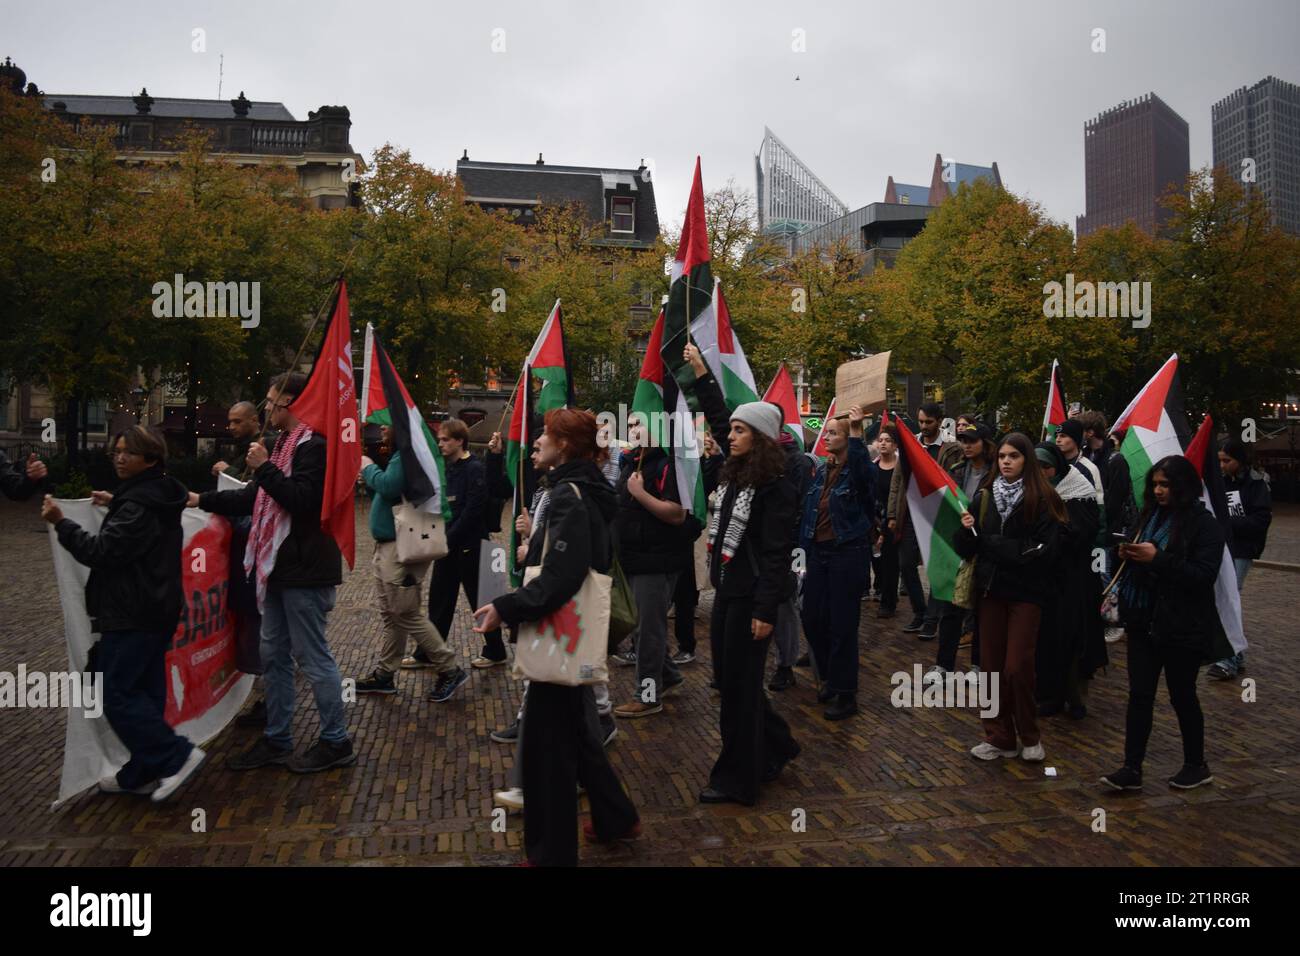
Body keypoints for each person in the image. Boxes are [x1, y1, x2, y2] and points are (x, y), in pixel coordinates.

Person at [472, 408, 639, 866]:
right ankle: (616, 816)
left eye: (545, 434)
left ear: (564, 445)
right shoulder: (585, 491)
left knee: (550, 754)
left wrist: (506, 607)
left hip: (558, 637)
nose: (537, 442)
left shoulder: (569, 495)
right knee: (576, 734)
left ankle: (551, 855)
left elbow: (564, 576)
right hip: (572, 637)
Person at [191, 371, 355, 773]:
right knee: (274, 656)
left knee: (313, 658)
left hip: (304, 569)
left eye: (272, 401)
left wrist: (264, 468)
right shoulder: (284, 445)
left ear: (293, 404)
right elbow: (255, 497)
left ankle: (336, 741)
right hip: (278, 568)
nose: (266, 408)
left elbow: (303, 501)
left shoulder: (315, 446)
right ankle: (277, 738)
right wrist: (201, 500)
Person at [43, 425, 205, 801]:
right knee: (145, 693)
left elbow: (102, 552)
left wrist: (61, 523)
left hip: (132, 611)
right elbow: (138, 525)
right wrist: (115, 501)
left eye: (127, 453)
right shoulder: (157, 494)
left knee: (113, 689)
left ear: (150, 459)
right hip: (156, 608)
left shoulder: (138, 505)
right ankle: (141, 772)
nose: (118, 458)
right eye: (115, 451)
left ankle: (174, 756)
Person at [695, 398, 801, 805]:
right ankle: (778, 745)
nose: (730, 435)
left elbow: (777, 555)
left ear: (758, 438)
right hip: (727, 592)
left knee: (739, 693)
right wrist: (701, 375)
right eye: (732, 429)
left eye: (740, 430)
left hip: (751, 600)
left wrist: (764, 610)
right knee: (732, 682)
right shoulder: (735, 475)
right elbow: (719, 417)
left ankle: (737, 779)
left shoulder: (775, 487)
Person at [1100, 456, 1224, 792]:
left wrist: (1158, 559)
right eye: (1154, 484)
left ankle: (1196, 764)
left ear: (1183, 487)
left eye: (1165, 485)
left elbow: (1202, 575)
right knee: (1140, 695)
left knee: (1183, 695)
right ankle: (1131, 767)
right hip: (1144, 620)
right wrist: (1127, 555)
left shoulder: (1204, 524)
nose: (1158, 491)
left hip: (1182, 623)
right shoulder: (1148, 517)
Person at [955, 432, 1065, 763]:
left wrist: (992, 544)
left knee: (1017, 667)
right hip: (991, 592)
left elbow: (1042, 552)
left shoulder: (1044, 499)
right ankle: (998, 736)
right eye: (1002, 455)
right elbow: (968, 547)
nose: (1006, 461)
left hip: (1027, 594)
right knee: (990, 669)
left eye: (1014, 456)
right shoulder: (985, 497)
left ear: (1026, 460)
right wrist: (966, 530)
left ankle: (1029, 735)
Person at [353, 425, 470, 701]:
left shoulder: (407, 455)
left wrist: (368, 468)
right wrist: (371, 481)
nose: (382, 427)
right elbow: (387, 494)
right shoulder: (405, 455)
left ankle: (449, 668)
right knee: (393, 613)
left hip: (400, 546)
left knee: (405, 612)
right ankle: (385, 673)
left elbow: (389, 485)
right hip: (392, 544)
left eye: (387, 422)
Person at [611, 414, 690, 718]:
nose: (633, 430)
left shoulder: (669, 465)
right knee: (641, 626)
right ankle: (668, 675)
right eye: (629, 425)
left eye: (639, 424)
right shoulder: (630, 462)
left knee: (648, 630)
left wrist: (641, 494)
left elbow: (677, 514)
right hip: (632, 557)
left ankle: (647, 694)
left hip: (656, 560)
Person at [799, 405, 875, 719]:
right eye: (826, 432)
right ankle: (829, 675)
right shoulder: (822, 470)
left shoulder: (857, 470)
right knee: (812, 617)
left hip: (847, 553)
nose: (825, 437)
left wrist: (857, 431)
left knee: (843, 625)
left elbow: (863, 474)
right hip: (818, 553)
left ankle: (846, 694)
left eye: (833, 433)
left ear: (846, 438)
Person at [418, 419, 505, 669]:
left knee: (481, 599)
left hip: (471, 546)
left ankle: (495, 650)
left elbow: (473, 510)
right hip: (449, 545)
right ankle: (429, 651)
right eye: (440, 440)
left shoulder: (474, 468)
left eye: (445, 439)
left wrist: (448, 537)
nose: (441, 444)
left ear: (459, 440)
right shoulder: (449, 469)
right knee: (439, 600)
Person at [1033, 441, 1106, 720]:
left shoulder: (1079, 492)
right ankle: (1051, 695)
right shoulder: (1035, 493)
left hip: (1076, 581)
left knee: (1075, 639)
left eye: (1046, 467)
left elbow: (1084, 533)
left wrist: (1056, 535)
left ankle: (1076, 699)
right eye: (1037, 467)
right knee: (1048, 639)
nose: (1042, 473)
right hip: (1047, 580)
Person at [890, 403, 961, 638]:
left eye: (928, 422)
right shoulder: (910, 445)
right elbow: (897, 481)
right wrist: (892, 514)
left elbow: (953, 482)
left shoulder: (951, 449)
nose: (923, 426)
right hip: (910, 513)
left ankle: (931, 620)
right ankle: (919, 612)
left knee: (938, 569)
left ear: (939, 421)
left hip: (938, 516)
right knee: (906, 564)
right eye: (920, 422)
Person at [1206, 439, 1272, 680]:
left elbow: (1260, 520)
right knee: (1224, 597)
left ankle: (1228, 659)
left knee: (1227, 598)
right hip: (1224, 547)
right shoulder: (1219, 483)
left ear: (1240, 461)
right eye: (1219, 460)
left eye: (1227, 460)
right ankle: (1235, 655)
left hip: (1242, 549)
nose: (1222, 465)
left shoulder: (1255, 484)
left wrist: (1227, 524)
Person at [933, 421, 995, 675]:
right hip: (957, 546)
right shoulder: (957, 470)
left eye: (972, 440)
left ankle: (978, 664)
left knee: (980, 611)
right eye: (964, 440)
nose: (967, 445)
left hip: (984, 548)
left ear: (985, 444)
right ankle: (943, 664)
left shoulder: (995, 473)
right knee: (950, 609)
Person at [870, 427, 901, 620]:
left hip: (893, 523)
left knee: (891, 563)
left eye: (888, 440)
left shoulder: (901, 468)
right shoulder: (872, 468)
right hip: (875, 522)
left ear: (895, 445)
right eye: (880, 440)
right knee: (877, 561)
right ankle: (881, 590)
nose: (883, 443)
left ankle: (888, 602)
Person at [1055, 419, 1104, 508]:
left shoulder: (1090, 468)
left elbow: (1099, 501)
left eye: (1063, 436)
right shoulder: (1051, 466)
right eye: (1057, 436)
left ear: (1075, 439)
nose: (1058, 440)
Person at [211, 401, 261, 479]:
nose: (231, 427)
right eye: (230, 422)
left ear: (254, 420)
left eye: (237, 422)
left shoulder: (264, 445)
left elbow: (258, 481)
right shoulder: (242, 443)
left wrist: (227, 470)